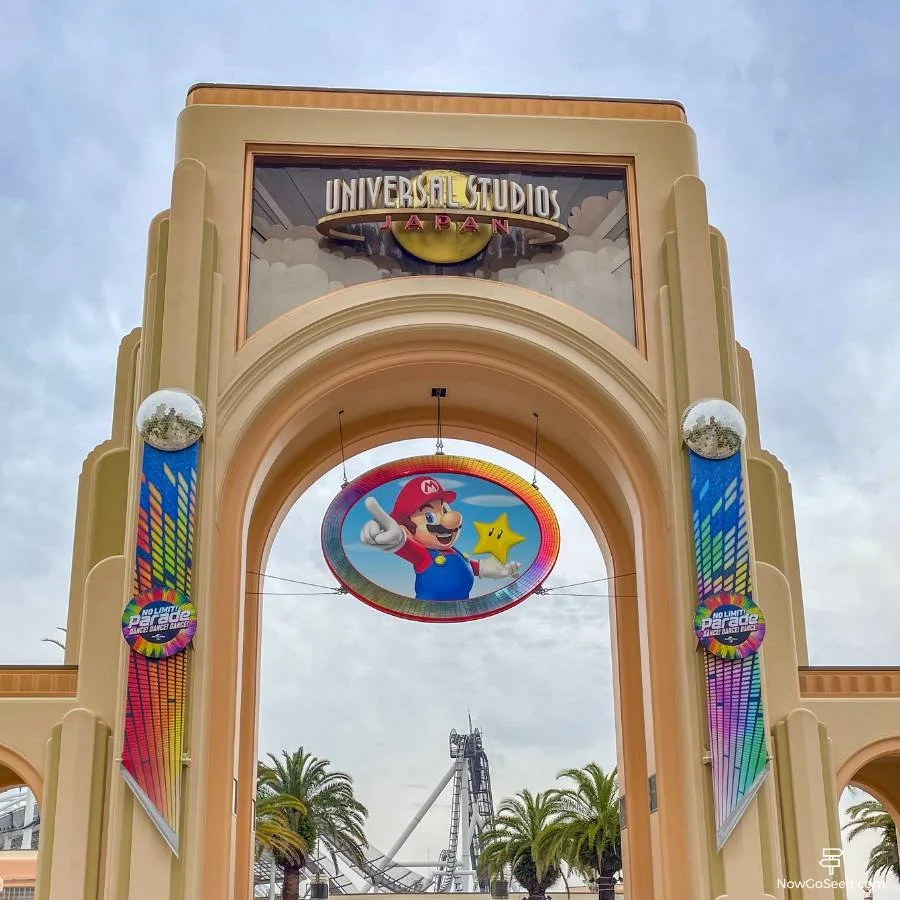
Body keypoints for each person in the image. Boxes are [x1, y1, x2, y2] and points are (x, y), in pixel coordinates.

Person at [360, 475, 519, 601]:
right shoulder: (423, 555)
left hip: (462, 609)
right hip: (428, 612)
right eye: (429, 517)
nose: (449, 520)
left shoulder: (454, 551)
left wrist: (500, 571)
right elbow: (406, 547)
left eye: (445, 510)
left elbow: (473, 567)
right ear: (408, 529)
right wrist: (398, 539)